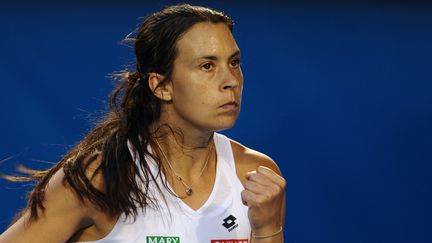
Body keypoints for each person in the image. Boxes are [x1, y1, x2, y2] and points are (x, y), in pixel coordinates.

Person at [0, 4, 286, 243]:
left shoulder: (255, 176)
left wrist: (267, 229)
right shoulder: (100, 179)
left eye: (234, 63)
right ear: (161, 85)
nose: (231, 81)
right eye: (207, 66)